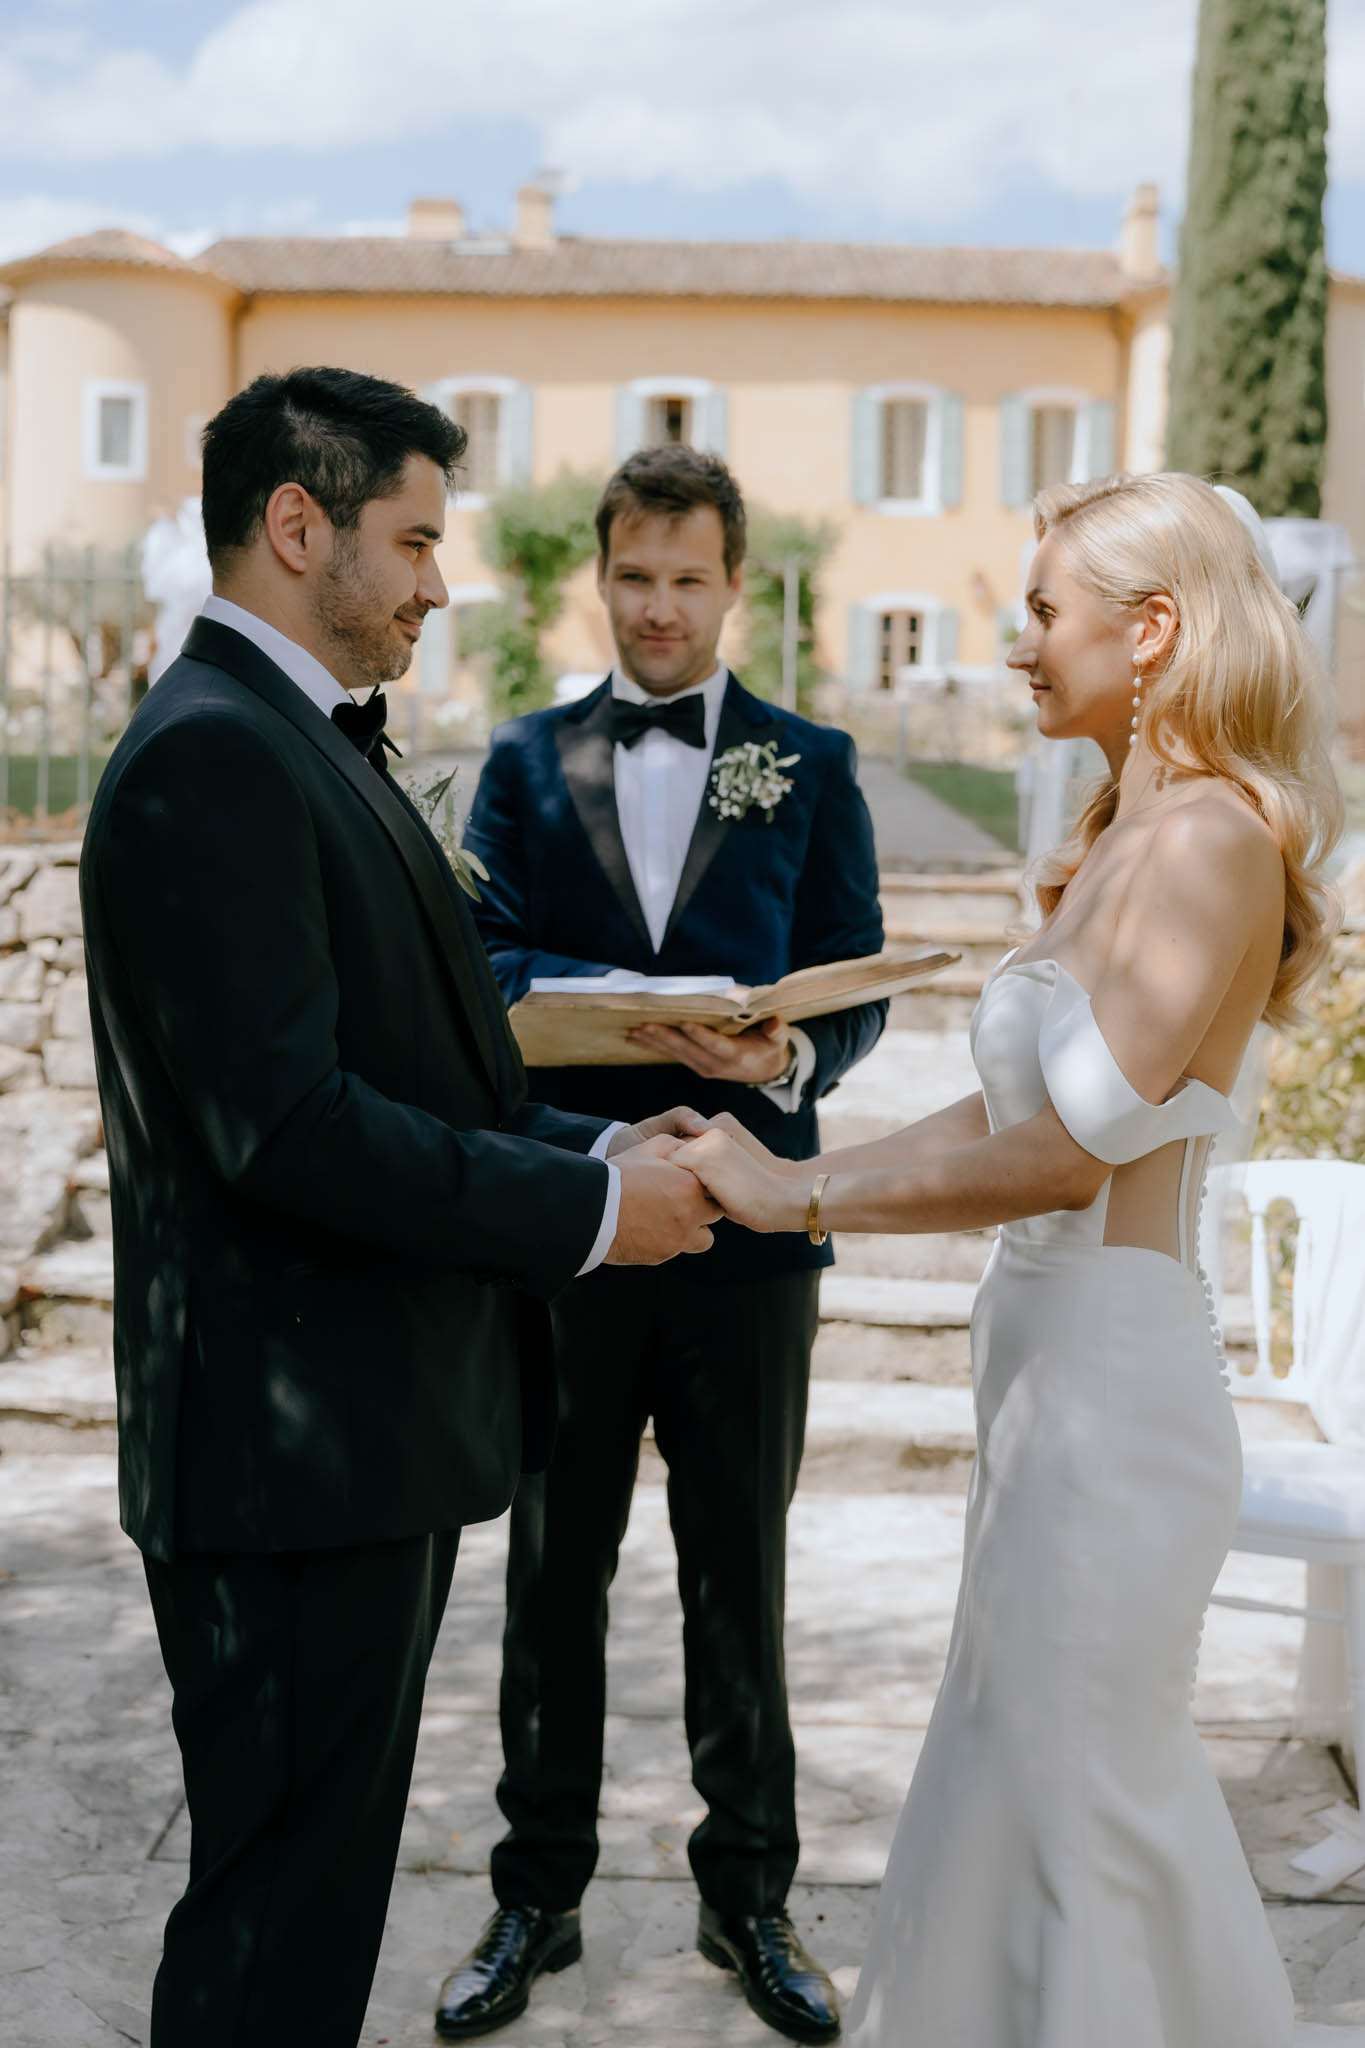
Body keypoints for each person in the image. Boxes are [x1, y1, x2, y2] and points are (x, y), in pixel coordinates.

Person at [79, 366, 719, 2048]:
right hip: (288, 1467)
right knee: (271, 1935)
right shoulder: (212, 755)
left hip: (357, 1447)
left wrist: (592, 1151)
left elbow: (404, 1065)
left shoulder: (288, 737)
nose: (440, 584)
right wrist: (589, 1221)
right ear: (300, 527)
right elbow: (287, 1127)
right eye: (417, 542)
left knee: (314, 1908)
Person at [674, 471, 1343, 2046]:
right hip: (1042, 1375)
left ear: (1152, 629)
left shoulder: (1210, 842)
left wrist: (798, 1207)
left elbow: (1062, 1157)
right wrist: (789, 1171)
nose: (1016, 644)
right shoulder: (1124, 835)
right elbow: (1004, 1108)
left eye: (1043, 611)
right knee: (1015, 1776)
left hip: (1115, 1393)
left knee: (1078, 1798)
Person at [434, 446, 885, 2043]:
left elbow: (856, 974)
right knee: (553, 1571)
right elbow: (480, 964)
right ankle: (535, 1893)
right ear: (601, 577)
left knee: (736, 1573)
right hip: (572, 1221)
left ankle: (747, 1895)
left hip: (751, 1235)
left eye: (689, 579)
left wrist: (784, 1055)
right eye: (634, 577)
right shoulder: (522, 757)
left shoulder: (808, 762)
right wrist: (610, 1028)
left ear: (733, 585)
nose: (660, 607)